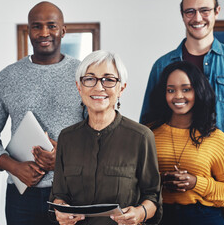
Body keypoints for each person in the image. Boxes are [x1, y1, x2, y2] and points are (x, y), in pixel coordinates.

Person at [140, 0, 224, 224]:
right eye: (190, 11)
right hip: (170, 188)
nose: (197, 18)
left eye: (204, 10)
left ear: (217, 11)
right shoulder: (162, 66)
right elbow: (146, 125)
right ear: (182, 15)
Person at [0, 1, 83, 224]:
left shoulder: (83, 75)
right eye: (37, 26)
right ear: (28, 31)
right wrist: (13, 167)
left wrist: (64, 158)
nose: (44, 33)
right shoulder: (7, 78)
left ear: (63, 30)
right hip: (21, 195)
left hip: (72, 191)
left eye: (51, 26)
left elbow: (100, 134)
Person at [51, 50, 162, 225]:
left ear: (121, 88)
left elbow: (153, 196)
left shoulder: (141, 136)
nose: (98, 87)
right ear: (79, 87)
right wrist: (60, 210)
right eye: (89, 79)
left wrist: (140, 213)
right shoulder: (67, 137)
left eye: (109, 79)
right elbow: (59, 195)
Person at [147, 61, 224, 224]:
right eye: (171, 90)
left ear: (198, 91)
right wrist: (159, 181)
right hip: (159, 216)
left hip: (203, 216)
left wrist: (196, 183)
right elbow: (133, 181)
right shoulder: (148, 133)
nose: (178, 96)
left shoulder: (216, 137)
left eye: (186, 89)